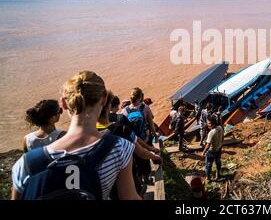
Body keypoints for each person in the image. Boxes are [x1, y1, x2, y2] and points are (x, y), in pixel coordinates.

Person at [11, 71, 141, 200]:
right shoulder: (119, 149)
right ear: (104, 99)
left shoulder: (26, 164)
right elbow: (129, 197)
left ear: (63, 103)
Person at [97, 91, 161, 195]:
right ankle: (144, 184)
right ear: (108, 105)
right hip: (127, 173)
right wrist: (152, 151)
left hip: (104, 185)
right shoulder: (121, 123)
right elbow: (140, 147)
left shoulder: (88, 132)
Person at [201, 115, 224, 181]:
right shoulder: (220, 127)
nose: (207, 124)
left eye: (208, 123)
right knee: (218, 162)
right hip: (218, 149)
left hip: (212, 151)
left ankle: (208, 178)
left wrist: (203, 152)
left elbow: (208, 145)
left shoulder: (211, 132)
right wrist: (221, 144)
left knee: (208, 165)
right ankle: (218, 175)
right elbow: (222, 136)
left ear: (212, 123)